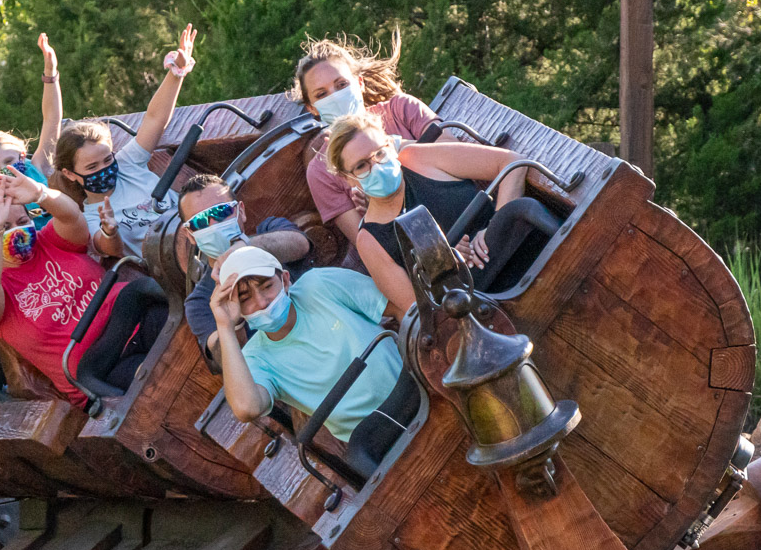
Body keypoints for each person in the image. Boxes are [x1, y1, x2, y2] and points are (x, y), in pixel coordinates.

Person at [0, 168, 168, 407]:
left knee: (177, 327)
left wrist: (40, 193)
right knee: (160, 380)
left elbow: (72, 217)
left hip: (134, 320)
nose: (17, 230)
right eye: (5, 227)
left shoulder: (49, 240)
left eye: (22, 221)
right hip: (99, 369)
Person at [325, 112, 540, 307]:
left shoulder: (418, 159)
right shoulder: (370, 241)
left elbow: (512, 163)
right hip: (478, 302)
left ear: (390, 145)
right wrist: (446, 268)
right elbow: (419, 308)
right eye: (361, 166)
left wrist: (494, 225)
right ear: (348, 179)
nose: (376, 167)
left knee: (524, 208)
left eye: (379, 154)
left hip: (521, 249)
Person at [207, 246, 402, 441]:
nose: (262, 302)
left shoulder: (318, 284)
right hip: (372, 435)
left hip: (411, 382)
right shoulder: (255, 358)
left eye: (267, 286)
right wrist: (225, 326)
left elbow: (398, 306)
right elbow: (247, 408)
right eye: (245, 298)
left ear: (284, 280)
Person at [52, 24, 199, 262]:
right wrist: (109, 231)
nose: (105, 169)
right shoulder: (89, 218)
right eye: (92, 168)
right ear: (70, 174)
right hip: (175, 265)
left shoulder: (127, 164)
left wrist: (176, 72)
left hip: (198, 232)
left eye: (107, 159)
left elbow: (155, 119)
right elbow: (108, 247)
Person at [291, 32, 447, 255]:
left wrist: (396, 148)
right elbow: (368, 247)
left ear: (359, 83)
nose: (335, 96)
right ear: (312, 108)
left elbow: (455, 151)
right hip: (418, 252)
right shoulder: (320, 171)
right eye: (322, 94)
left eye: (342, 84)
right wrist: (376, 210)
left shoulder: (402, 109)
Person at [176, 173, 312, 362]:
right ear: (190, 235)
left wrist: (244, 246)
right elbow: (222, 358)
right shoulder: (200, 302)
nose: (214, 224)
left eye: (222, 212)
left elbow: (300, 244)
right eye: (200, 222)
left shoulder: (270, 229)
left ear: (241, 210)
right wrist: (232, 324)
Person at [0, 35, 64, 231]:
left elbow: (52, 118)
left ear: (21, 155)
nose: (5, 170)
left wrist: (50, 73)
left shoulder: (37, 169)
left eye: (9, 161)